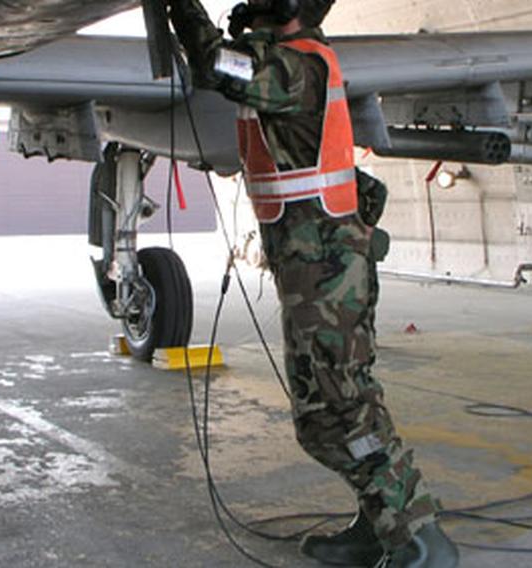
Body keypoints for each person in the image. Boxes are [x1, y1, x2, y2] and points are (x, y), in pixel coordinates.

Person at [166, 1, 459, 566]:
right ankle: (378, 522)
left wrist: (181, 7)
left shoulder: (297, 68)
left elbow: (215, 66)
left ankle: (421, 540)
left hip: (325, 276)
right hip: (316, 271)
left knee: (341, 411)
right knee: (327, 412)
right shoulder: (294, 63)